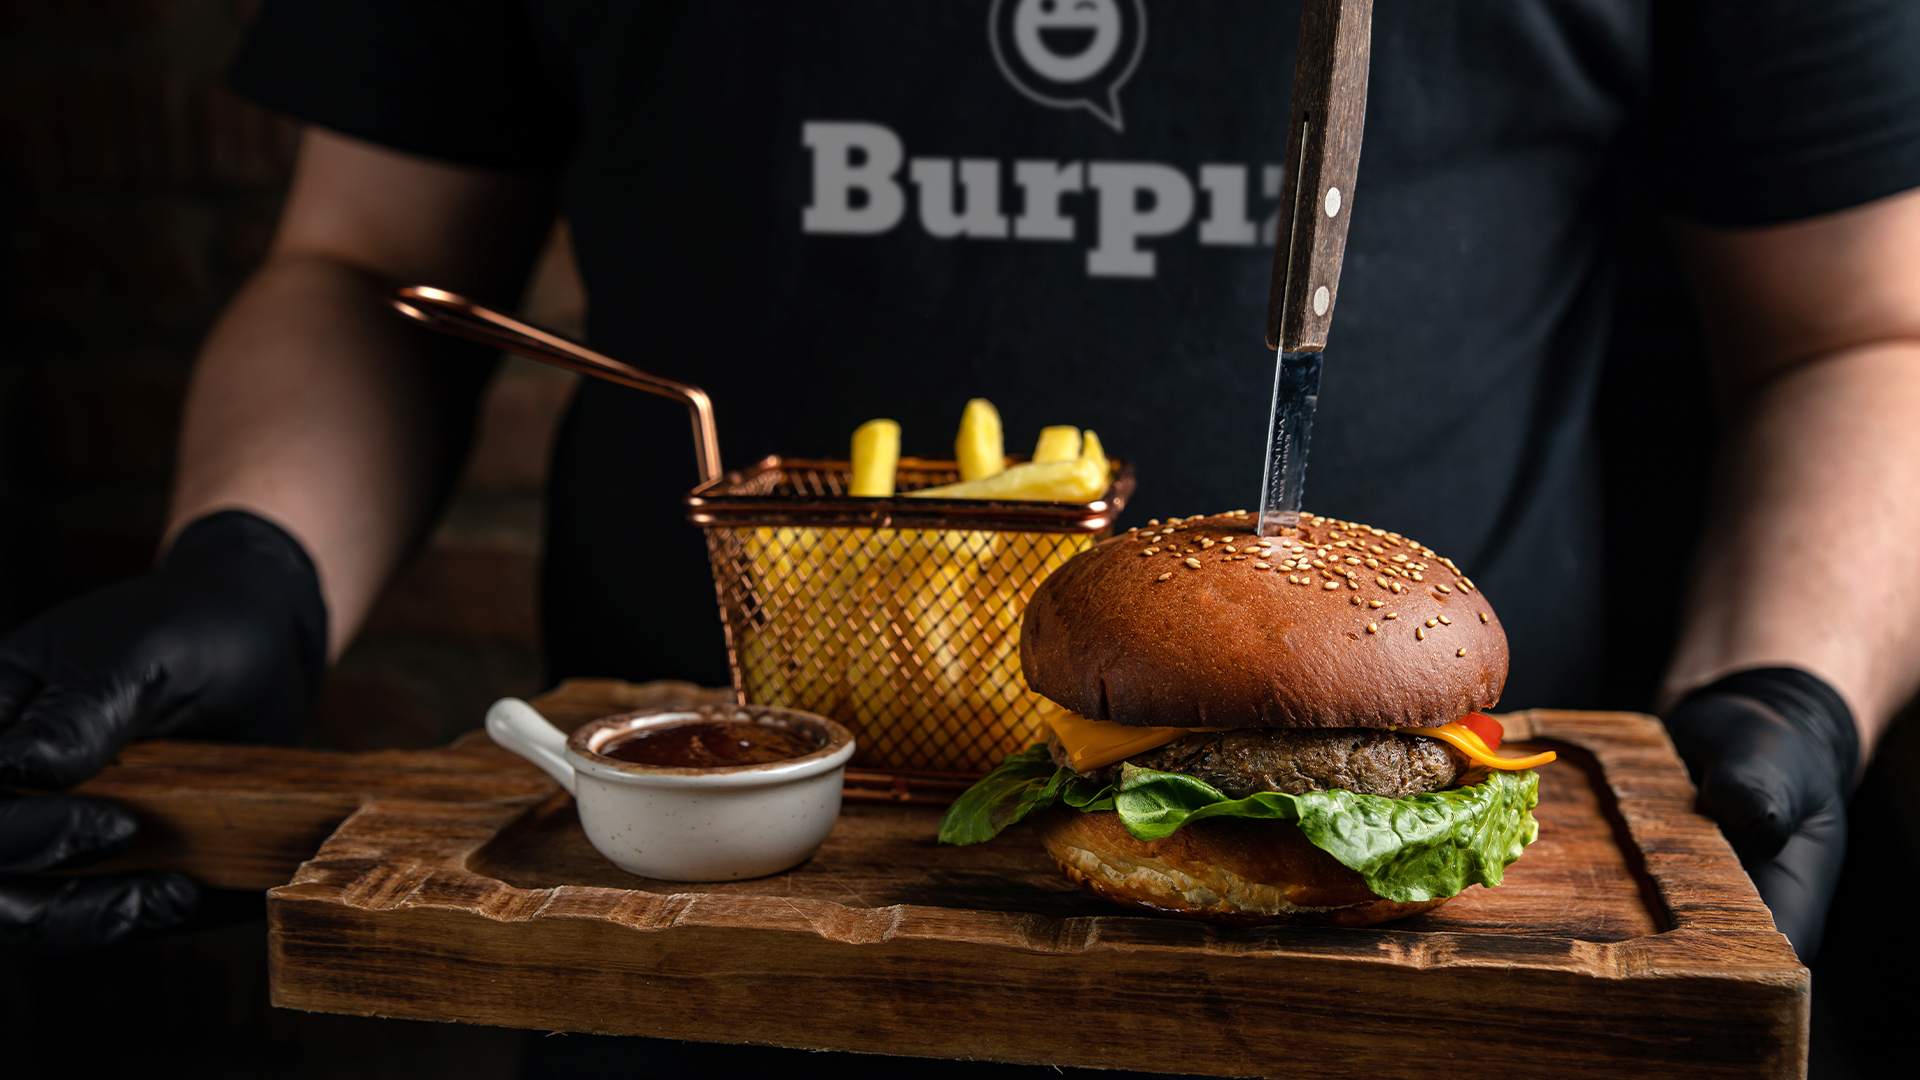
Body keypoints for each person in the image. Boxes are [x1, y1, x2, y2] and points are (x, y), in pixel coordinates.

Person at [2, 0, 1916, 1001]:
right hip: (689, 939)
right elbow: (366, 264)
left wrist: (1790, 690)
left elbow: (1865, 334)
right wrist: (251, 563)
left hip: (1456, 1003)